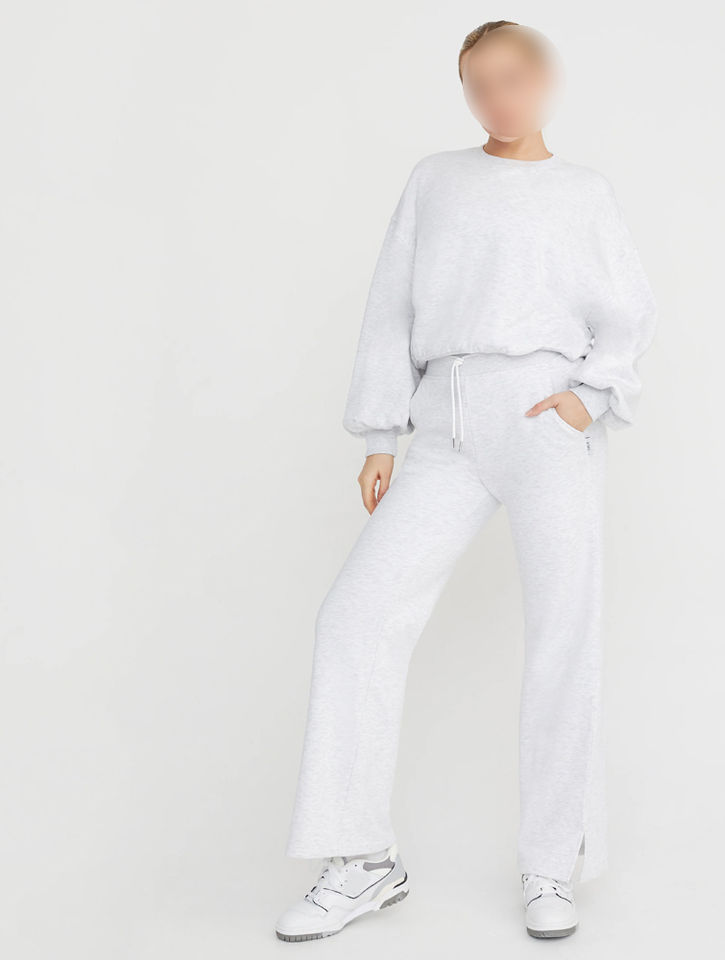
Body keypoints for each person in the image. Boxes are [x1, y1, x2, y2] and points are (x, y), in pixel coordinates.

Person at [275, 20, 658, 942]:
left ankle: (550, 863)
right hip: (444, 424)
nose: (496, 98)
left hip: (543, 417)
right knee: (356, 616)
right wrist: (380, 432)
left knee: (564, 635)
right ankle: (362, 858)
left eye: (512, 79)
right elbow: (390, 303)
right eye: (477, 83)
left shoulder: (582, 193)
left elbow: (628, 310)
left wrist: (589, 398)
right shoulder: (435, 181)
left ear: (546, 81)